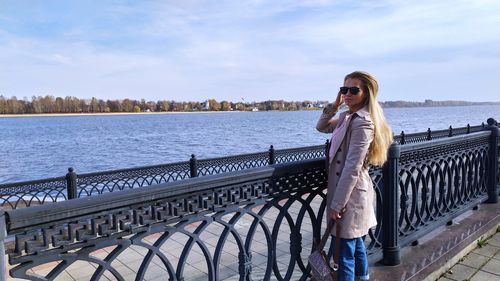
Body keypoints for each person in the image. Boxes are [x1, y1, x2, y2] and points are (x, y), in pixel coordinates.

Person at [316, 71, 393, 281]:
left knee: (344, 254)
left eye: (353, 90)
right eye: (344, 89)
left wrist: (337, 204)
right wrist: (335, 105)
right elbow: (321, 126)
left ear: (366, 93)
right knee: (356, 243)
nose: (347, 94)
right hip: (352, 193)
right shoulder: (346, 117)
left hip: (350, 196)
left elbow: (352, 167)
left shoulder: (363, 123)